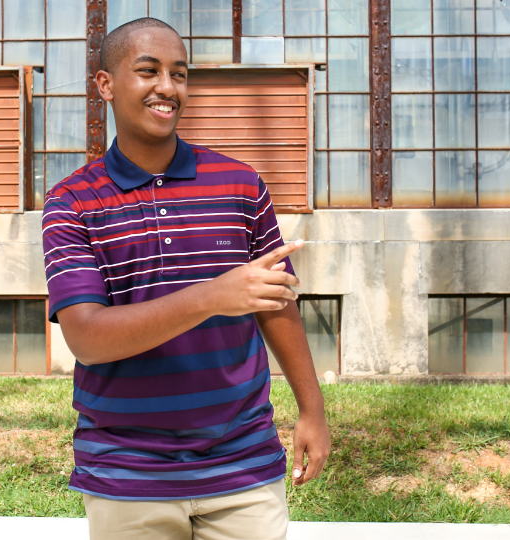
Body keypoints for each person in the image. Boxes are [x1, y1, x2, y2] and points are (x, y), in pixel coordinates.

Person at [42, 17, 330, 540]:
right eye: (148, 71)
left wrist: (313, 410)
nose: (167, 88)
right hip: (127, 471)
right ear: (105, 84)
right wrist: (215, 295)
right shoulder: (72, 202)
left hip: (242, 462)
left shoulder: (240, 184)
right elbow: (86, 338)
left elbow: (276, 304)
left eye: (179, 74)